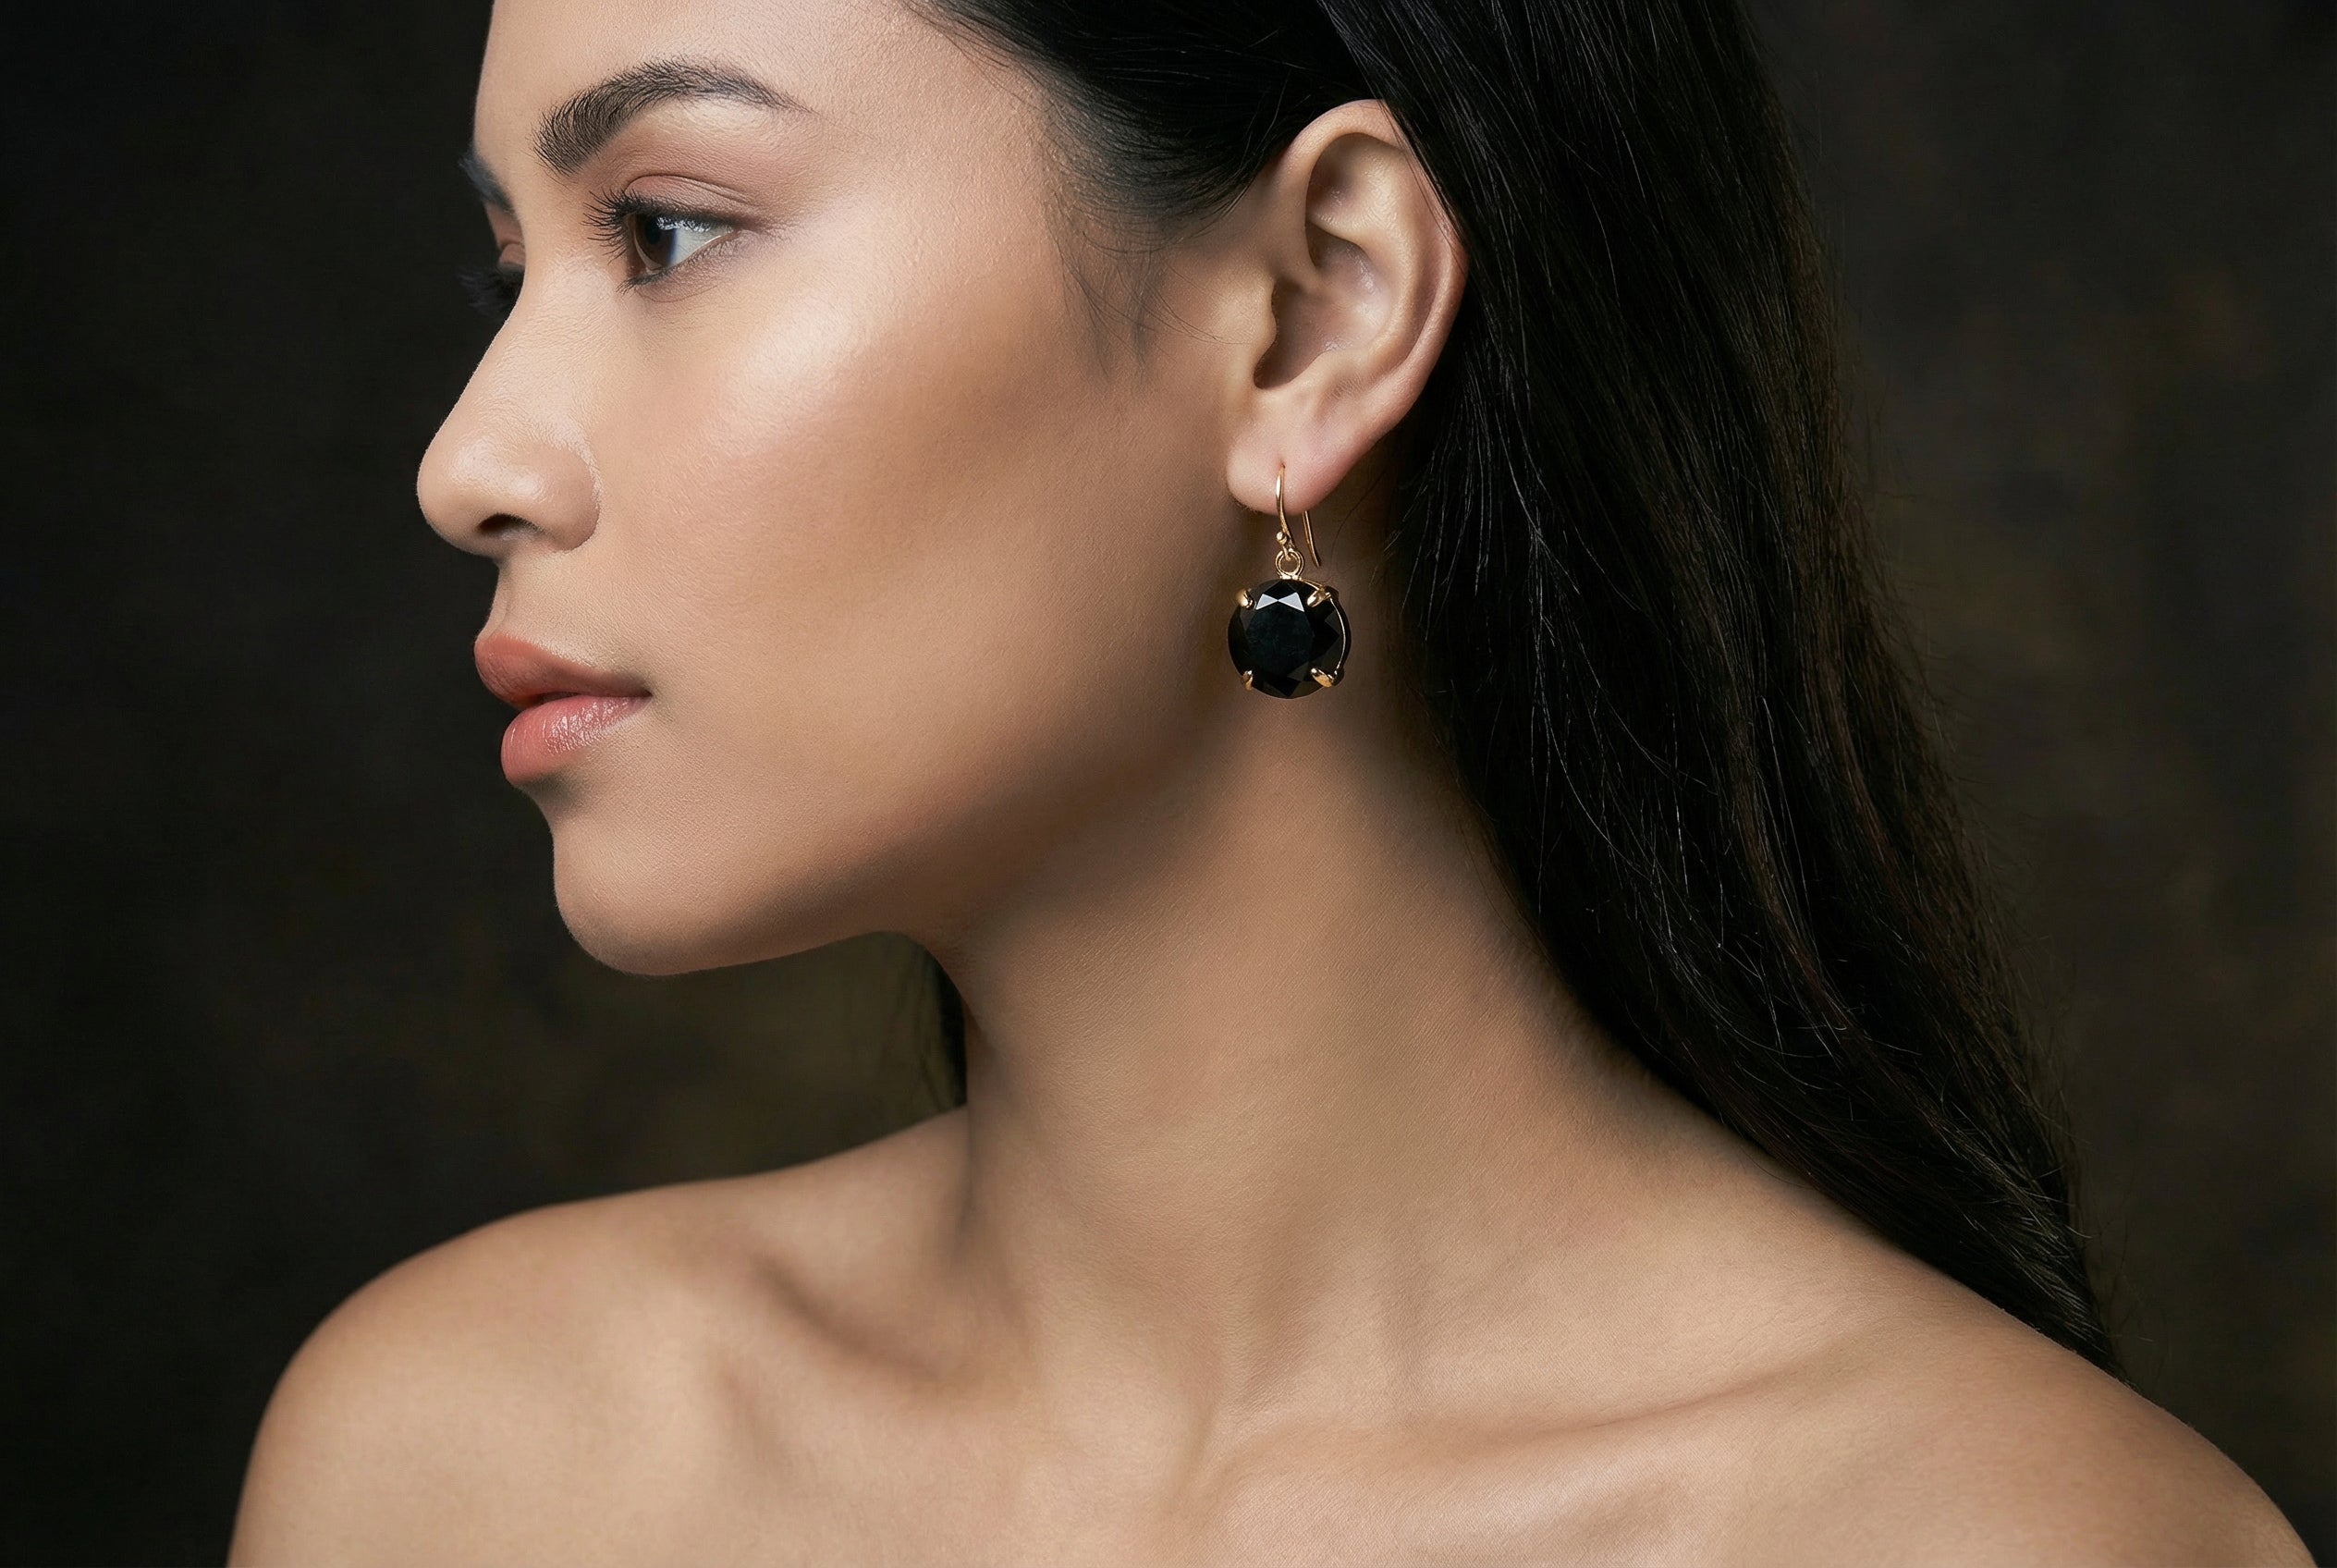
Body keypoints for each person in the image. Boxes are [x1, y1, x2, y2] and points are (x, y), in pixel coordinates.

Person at [227, 0, 2310, 1561]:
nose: (469, 461)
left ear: (1318, 312)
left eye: (668, 231)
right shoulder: (474, 1468)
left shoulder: (1997, 1539)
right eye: (511, 270)